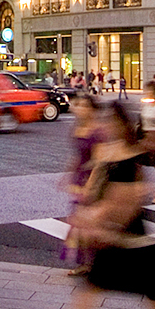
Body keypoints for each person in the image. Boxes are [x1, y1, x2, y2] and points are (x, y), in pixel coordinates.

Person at [67, 104, 155, 308]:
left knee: (152, 290)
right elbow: (95, 183)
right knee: (94, 285)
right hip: (114, 232)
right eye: (105, 121)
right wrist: (85, 207)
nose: (106, 126)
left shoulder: (131, 153)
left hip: (128, 231)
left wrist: (100, 218)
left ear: (121, 124)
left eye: (110, 121)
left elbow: (135, 195)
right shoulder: (106, 151)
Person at [61, 95, 100, 273]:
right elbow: (77, 155)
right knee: (80, 221)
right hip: (79, 178)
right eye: (79, 105)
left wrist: (90, 184)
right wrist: (67, 174)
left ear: (92, 109)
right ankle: (86, 262)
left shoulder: (98, 131)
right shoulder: (77, 128)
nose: (81, 109)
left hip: (92, 178)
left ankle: (91, 262)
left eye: (85, 106)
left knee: (85, 221)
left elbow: (99, 161)